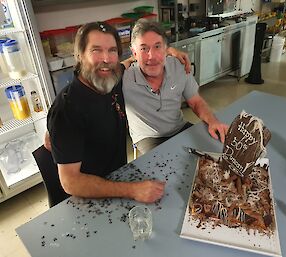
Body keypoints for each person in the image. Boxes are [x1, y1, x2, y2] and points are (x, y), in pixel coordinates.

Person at [46, 22, 189, 204]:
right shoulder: (66, 110)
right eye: (96, 50)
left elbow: (129, 62)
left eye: (112, 50)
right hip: (88, 200)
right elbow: (70, 182)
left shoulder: (110, 78)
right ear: (80, 55)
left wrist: (168, 51)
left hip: (120, 179)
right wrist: (133, 190)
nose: (106, 59)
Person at [123, 19, 229, 154]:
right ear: (134, 52)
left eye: (157, 46)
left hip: (179, 127)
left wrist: (213, 121)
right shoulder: (125, 78)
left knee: (216, 150)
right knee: (164, 170)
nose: (152, 56)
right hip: (149, 137)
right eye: (143, 48)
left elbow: (196, 102)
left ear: (166, 49)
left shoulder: (178, 66)